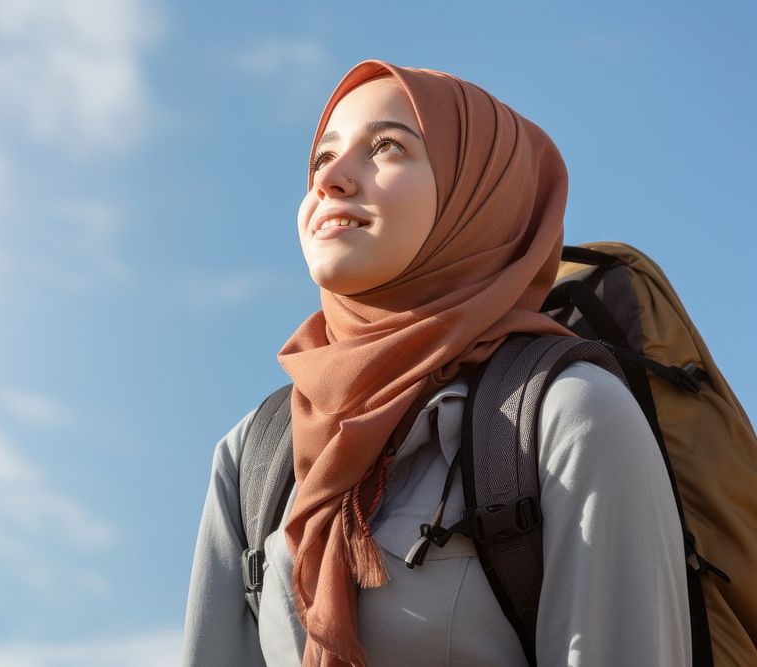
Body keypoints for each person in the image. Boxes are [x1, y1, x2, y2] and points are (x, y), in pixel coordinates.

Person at [183, 60, 691, 666]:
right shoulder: (257, 454)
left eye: (388, 147)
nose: (333, 179)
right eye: (322, 158)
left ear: (478, 196)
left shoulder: (571, 415)